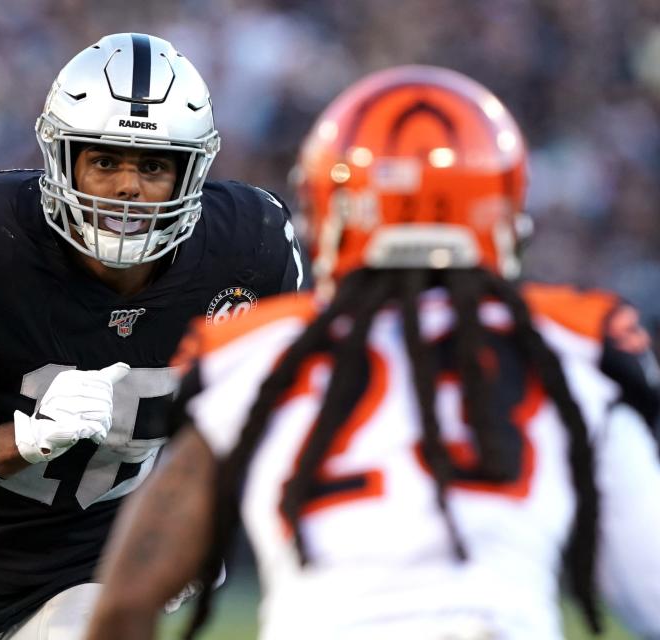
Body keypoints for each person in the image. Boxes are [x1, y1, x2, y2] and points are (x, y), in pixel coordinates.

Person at [85, 65, 660, 639]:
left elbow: (124, 606)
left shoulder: (258, 355)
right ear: (504, 213)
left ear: (331, 212)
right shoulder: (575, 358)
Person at [0, 32, 304, 640]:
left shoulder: (247, 251)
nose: (127, 187)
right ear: (62, 159)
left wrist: (197, 520)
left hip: (98, 558)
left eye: (152, 165)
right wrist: (27, 439)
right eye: (106, 160)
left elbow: (275, 423)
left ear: (191, 170)